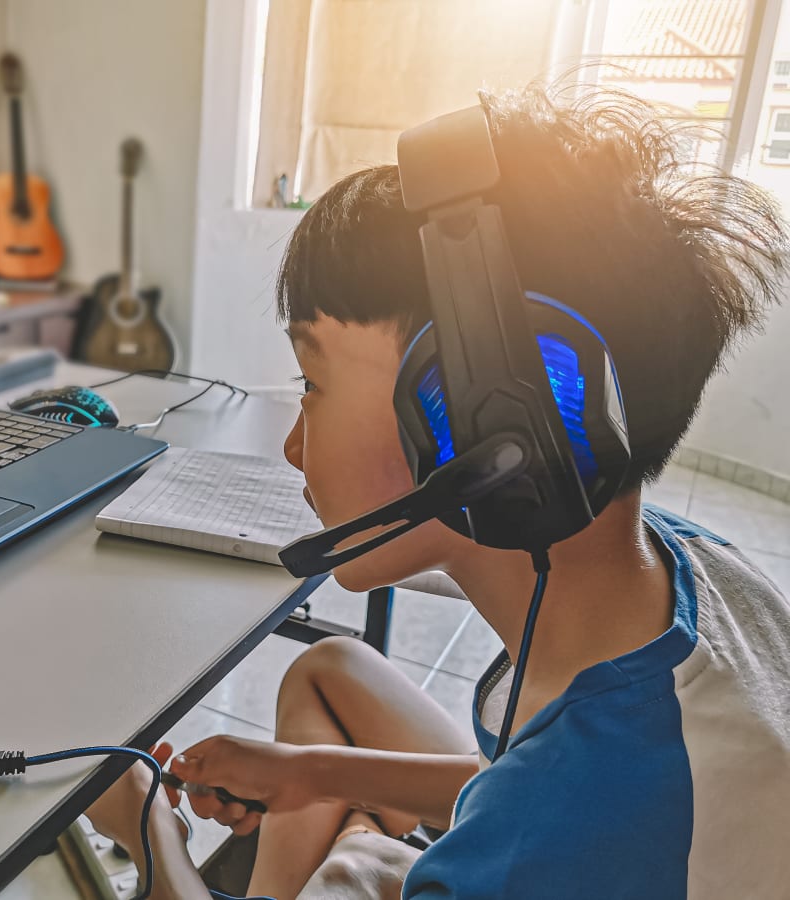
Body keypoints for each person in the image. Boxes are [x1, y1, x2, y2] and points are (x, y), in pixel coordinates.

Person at [85, 81, 790, 899]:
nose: (290, 444)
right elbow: (533, 762)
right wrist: (307, 772)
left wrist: (148, 826)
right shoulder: (680, 563)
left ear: (486, 425)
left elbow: (562, 805)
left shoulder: (553, 843)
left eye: (310, 383)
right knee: (333, 668)